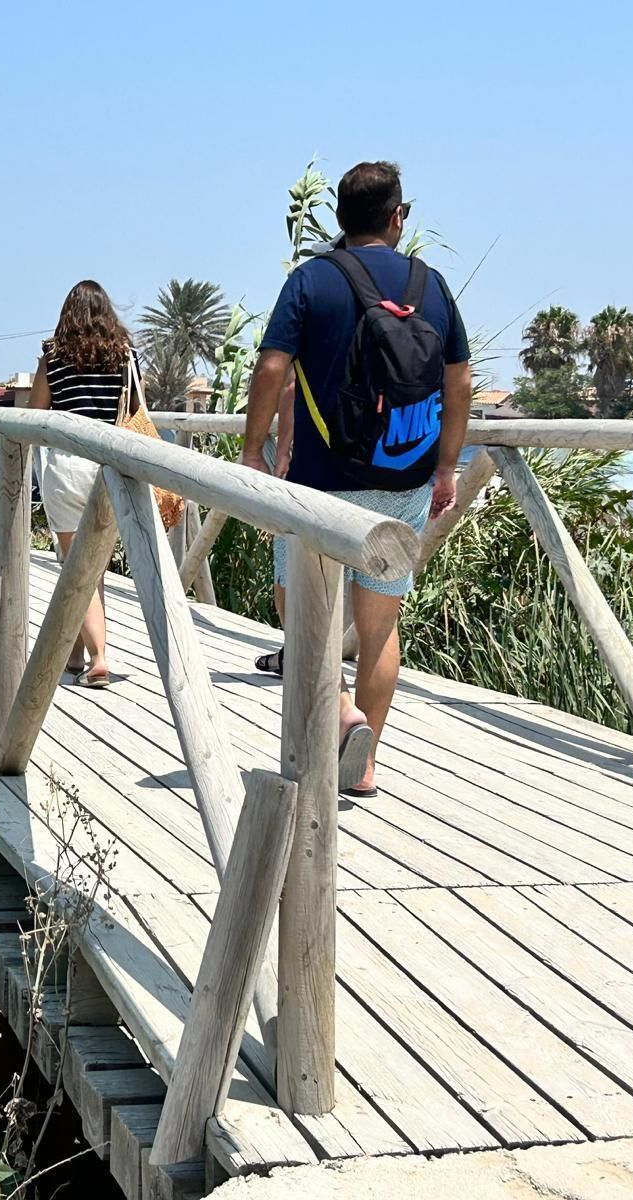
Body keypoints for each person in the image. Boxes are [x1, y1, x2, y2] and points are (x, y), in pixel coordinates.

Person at [241, 161, 472, 797]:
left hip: (320, 483)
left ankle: (341, 711)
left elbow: (271, 368)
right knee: (380, 628)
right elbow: (459, 383)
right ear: (399, 217)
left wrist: (253, 449)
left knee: (300, 608)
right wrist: (447, 465)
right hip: (404, 481)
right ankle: (367, 765)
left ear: (340, 218)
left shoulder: (312, 279)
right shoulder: (433, 285)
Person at [29, 280, 141, 689]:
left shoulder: (53, 357)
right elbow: (134, 409)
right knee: (92, 567)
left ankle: (98, 657)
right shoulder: (124, 355)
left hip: (67, 466)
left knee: (78, 568)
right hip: (109, 466)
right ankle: (75, 655)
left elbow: (36, 414)